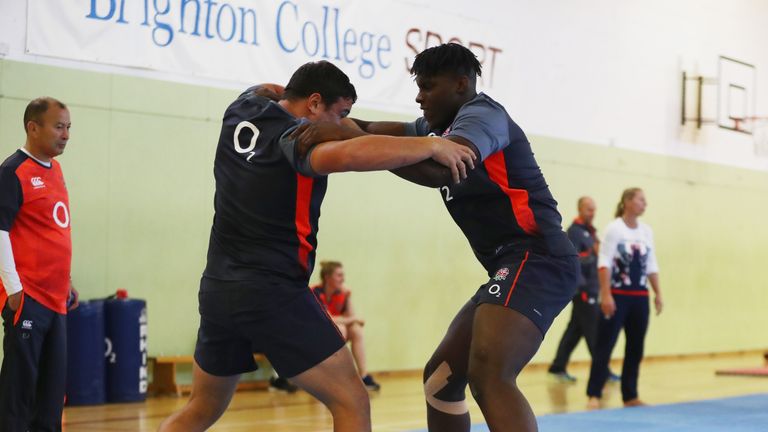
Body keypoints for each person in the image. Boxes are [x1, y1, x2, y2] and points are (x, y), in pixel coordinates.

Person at [158, 61, 476, 432]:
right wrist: (430, 144)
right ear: (313, 103)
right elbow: (352, 154)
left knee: (202, 408)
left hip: (218, 289)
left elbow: (268, 88)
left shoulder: (242, 108)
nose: (342, 125)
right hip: (273, 292)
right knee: (352, 401)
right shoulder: (298, 140)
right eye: (340, 114)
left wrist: (289, 94)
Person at [291, 43, 579, 432]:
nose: (418, 96)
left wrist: (359, 148)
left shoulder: (482, 117)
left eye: (427, 87)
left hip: (538, 258)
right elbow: (379, 130)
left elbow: (444, 170)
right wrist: (318, 115)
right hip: (508, 265)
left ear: (461, 84)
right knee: (440, 381)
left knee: (490, 374)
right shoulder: (437, 128)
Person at [0, 97, 79, 431]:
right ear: (33, 127)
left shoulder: (56, 170)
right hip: (27, 299)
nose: (66, 135)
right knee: (19, 394)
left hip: (56, 300)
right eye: (59, 127)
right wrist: (13, 288)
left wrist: (67, 279)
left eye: (68, 128)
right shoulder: (12, 172)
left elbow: (53, 230)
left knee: (51, 396)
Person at [586, 188, 663, 409]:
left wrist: (658, 293)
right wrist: (606, 294)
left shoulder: (647, 231)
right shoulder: (614, 229)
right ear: (627, 202)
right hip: (617, 296)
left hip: (640, 297)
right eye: (641, 200)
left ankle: (630, 395)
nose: (644, 204)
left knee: (635, 347)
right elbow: (604, 262)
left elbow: (651, 265)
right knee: (605, 345)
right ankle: (594, 393)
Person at [548, 197, 619, 383]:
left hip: (592, 288)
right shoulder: (575, 232)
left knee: (574, 331)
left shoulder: (591, 232)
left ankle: (557, 367)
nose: (592, 213)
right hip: (585, 290)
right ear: (580, 209)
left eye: (594, 209)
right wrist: (593, 254)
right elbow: (574, 261)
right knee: (595, 332)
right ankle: (602, 371)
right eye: (589, 209)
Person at [311, 261, 380, 391]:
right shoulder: (315, 292)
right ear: (327, 277)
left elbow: (353, 320)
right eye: (339, 275)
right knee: (340, 328)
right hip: (313, 337)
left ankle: (364, 377)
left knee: (356, 330)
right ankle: (334, 377)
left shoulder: (341, 294)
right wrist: (352, 319)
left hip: (333, 334)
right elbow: (328, 318)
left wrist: (348, 297)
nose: (343, 279)